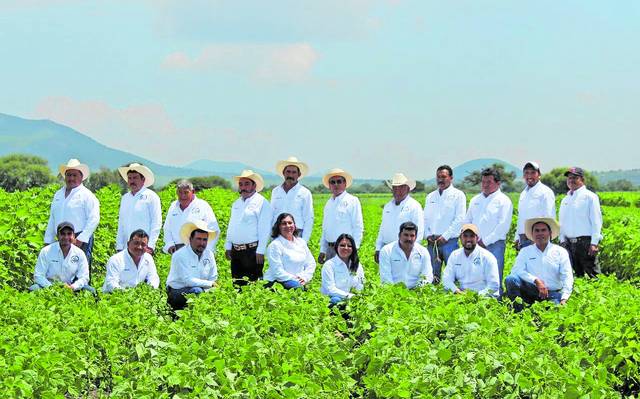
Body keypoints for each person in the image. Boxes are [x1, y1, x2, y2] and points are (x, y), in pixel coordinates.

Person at [506, 217, 573, 311]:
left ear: (550, 233)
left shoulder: (560, 251)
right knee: (511, 279)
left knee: (553, 314)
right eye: (536, 231)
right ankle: (518, 311)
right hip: (530, 290)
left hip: (551, 293)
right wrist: (536, 281)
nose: (540, 233)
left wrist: (564, 297)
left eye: (543, 230)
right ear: (532, 234)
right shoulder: (525, 251)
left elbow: (567, 276)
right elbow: (517, 270)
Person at [463, 167, 513, 294]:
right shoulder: (475, 200)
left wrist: (485, 241)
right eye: (483, 182)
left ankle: (497, 300)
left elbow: (503, 226)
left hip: (494, 244)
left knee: (494, 274)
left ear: (498, 183)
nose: (485, 185)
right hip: (474, 245)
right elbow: (467, 220)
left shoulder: (504, 200)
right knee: (475, 275)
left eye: (489, 182)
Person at [44, 159, 100, 272]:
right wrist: (48, 240)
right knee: (60, 269)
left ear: (81, 176)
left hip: (79, 237)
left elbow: (94, 219)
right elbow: (52, 218)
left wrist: (81, 239)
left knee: (80, 271)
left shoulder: (87, 195)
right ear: (64, 177)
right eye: (68, 175)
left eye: (74, 175)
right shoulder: (58, 194)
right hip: (60, 237)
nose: (71, 178)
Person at [224, 170, 273, 286]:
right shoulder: (236, 204)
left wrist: (261, 250)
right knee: (237, 284)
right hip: (236, 251)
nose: (243, 187)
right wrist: (228, 245)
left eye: (247, 184)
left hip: (252, 251)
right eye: (241, 184)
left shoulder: (262, 202)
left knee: (253, 285)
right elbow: (232, 225)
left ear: (254, 185)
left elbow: (265, 228)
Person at [423, 165, 466, 283]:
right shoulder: (430, 196)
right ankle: (433, 300)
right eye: (438, 177)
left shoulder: (458, 195)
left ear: (451, 178)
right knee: (431, 276)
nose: (440, 180)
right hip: (432, 243)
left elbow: (460, 218)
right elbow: (425, 218)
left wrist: (445, 236)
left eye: (443, 177)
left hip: (449, 242)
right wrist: (427, 235)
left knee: (453, 275)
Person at [559, 167, 603, 278]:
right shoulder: (565, 200)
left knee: (593, 275)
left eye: (575, 178)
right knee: (574, 276)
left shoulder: (590, 197)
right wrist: (562, 240)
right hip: (569, 243)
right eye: (569, 178)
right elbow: (562, 222)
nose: (571, 180)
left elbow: (596, 221)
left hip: (585, 243)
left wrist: (594, 243)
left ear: (582, 180)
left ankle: (598, 294)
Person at [166, 220, 218, 310]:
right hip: (177, 291)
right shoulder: (180, 255)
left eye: (204, 240)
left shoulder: (209, 254)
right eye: (198, 239)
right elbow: (187, 280)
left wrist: (210, 288)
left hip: (202, 289)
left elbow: (213, 277)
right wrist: (210, 284)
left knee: (214, 293)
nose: (202, 243)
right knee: (196, 291)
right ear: (190, 239)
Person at [31, 222, 95, 293]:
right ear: (57, 236)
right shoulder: (46, 251)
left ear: (74, 236)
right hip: (49, 287)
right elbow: (38, 275)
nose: (66, 237)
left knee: (91, 291)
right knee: (34, 289)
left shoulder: (79, 253)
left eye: (69, 234)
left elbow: (84, 277)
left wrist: (72, 287)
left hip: (70, 288)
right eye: (63, 234)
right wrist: (52, 288)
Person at [375, 173, 424, 264]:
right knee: (386, 277)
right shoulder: (388, 206)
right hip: (387, 250)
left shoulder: (414, 206)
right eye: (395, 188)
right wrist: (378, 248)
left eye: (401, 187)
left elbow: (419, 231)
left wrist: (412, 251)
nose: (398, 190)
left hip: (405, 250)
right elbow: (382, 228)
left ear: (408, 189)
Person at [318, 168, 364, 264]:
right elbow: (325, 229)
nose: (336, 184)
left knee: (344, 277)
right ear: (329, 186)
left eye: (339, 181)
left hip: (345, 249)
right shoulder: (328, 204)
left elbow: (358, 227)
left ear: (345, 184)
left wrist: (355, 249)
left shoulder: (352, 201)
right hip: (330, 249)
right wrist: (323, 250)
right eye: (332, 182)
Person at [115, 163, 162, 254]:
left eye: (135, 178)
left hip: (143, 246)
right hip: (126, 247)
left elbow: (156, 222)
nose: (132, 181)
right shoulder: (125, 198)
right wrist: (119, 245)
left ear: (143, 179)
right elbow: (121, 223)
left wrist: (151, 246)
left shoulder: (151, 197)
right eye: (130, 178)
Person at [442, 224, 500, 298]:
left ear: (477, 238)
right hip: (460, 296)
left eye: (472, 236)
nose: (468, 239)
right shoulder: (455, 255)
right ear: (460, 238)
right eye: (465, 236)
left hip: (482, 299)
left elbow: (494, 285)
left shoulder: (487, 257)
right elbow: (446, 279)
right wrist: (456, 291)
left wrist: (475, 296)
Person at [163, 179, 220, 254]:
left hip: (198, 249)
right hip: (177, 250)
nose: (182, 195)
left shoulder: (202, 205)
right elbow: (167, 228)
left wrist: (207, 249)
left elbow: (214, 229)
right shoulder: (173, 206)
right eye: (180, 192)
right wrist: (169, 244)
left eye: (186, 192)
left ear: (193, 192)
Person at [264, 213, 316, 289]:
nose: (288, 226)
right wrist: (296, 279)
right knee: (298, 288)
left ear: (294, 225)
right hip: (278, 280)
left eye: (290, 223)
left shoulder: (301, 242)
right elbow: (277, 271)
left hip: (299, 279)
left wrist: (305, 277)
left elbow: (311, 263)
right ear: (278, 227)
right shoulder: (275, 245)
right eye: (284, 224)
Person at [270, 156, 314, 242]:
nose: (290, 175)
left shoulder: (305, 193)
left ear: (299, 175)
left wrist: (304, 241)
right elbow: (271, 214)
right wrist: (271, 236)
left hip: (297, 233)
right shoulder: (276, 191)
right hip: (278, 233)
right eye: (288, 172)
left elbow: (309, 218)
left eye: (294, 172)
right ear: (283, 173)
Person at [514, 162, 555, 250]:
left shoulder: (545, 192)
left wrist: (542, 239)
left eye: (533, 173)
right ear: (523, 176)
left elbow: (549, 217)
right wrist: (517, 237)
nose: (529, 176)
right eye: (526, 173)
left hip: (537, 238)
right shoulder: (523, 194)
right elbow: (520, 217)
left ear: (539, 175)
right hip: (523, 239)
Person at [379, 222, 433, 289]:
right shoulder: (387, 250)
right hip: (393, 292)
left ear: (416, 237)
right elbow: (386, 278)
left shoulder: (423, 252)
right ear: (399, 235)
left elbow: (427, 275)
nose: (409, 239)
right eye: (406, 235)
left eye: (412, 236)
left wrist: (418, 291)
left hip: (417, 292)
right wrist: (395, 293)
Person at [320, 233, 365, 306]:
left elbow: (361, 285)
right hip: (333, 299)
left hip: (352, 300)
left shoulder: (357, 265)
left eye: (349, 246)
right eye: (342, 245)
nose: (346, 248)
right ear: (336, 247)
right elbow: (330, 289)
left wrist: (358, 297)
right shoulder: (329, 265)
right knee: (335, 300)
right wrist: (350, 296)